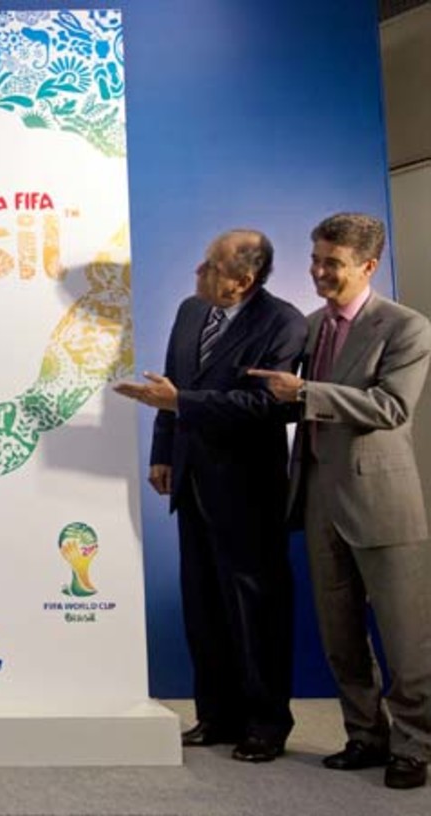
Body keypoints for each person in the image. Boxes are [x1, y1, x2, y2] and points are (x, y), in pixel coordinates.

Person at [251, 213, 431, 790]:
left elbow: (391, 408)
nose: (319, 272)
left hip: (381, 501)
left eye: (332, 263)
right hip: (316, 498)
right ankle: (365, 736)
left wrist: (305, 391)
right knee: (340, 633)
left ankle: (414, 746)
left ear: (368, 266)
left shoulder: (406, 327)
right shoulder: (309, 327)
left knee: (406, 638)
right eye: (315, 260)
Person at [114, 229, 305, 762]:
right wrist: (163, 452)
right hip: (191, 480)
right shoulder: (190, 311)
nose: (199, 272)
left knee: (255, 609)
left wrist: (182, 403)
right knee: (203, 605)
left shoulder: (284, 323)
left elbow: (268, 406)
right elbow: (170, 388)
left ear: (242, 280)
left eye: (211, 266)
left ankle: (266, 723)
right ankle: (216, 716)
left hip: (248, 489)